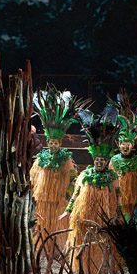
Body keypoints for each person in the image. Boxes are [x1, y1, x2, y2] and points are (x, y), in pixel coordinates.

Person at [60, 109, 122, 274]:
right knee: (85, 243)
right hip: (85, 218)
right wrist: (68, 211)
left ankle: (101, 270)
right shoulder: (85, 175)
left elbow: (118, 197)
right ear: (94, 160)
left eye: (102, 160)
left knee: (103, 243)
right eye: (97, 160)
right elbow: (75, 194)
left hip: (104, 219)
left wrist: (119, 214)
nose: (99, 162)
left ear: (106, 161)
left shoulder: (112, 177)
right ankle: (85, 269)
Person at [30, 87, 83, 252]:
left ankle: (58, 249)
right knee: (42, 228)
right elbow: (33, 178)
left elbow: (73, 180)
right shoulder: (41, 158)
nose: (53, 145)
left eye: (56, 143)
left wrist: (65, 197)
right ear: (48, 142)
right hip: (43, 201)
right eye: (51, 142)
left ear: (60, 143)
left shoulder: (66, 159)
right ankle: (42, 249)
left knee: (58, 230)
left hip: (59, 200)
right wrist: (34, 195)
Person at [108, 99, 137, 217]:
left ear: (133, 145)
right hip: (117, 202)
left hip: (134, 203)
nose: (125, 147)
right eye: (123, 144)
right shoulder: (114, 161)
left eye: (128, 144)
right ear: (119, 145)